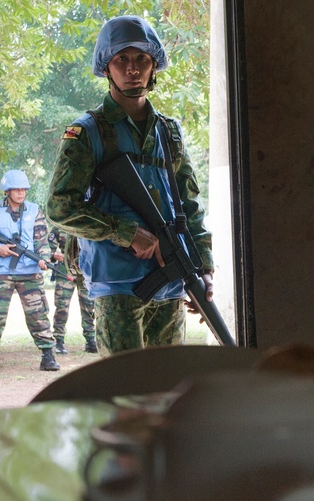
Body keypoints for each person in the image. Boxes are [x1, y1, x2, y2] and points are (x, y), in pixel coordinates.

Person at [45, 15, 214, 355]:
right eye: (122, 59)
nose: (132, 69)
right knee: (124, 392)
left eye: (142, 59)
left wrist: (203, 266)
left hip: (169, 281)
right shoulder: (87, 133)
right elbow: (60, 208)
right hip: (116, 285)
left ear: (154, 67)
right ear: (107, 67)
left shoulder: (170, 132)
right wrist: (126, 233)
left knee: (167, 390)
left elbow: (189, 206)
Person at [0, 169, 60, 373]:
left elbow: (42, 240)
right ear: (7, 191)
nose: (21, 193)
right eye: (17, 189)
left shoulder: (34, 210)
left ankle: (48, 355)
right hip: (1, 271)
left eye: (24, 189)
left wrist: (44, 259)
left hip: (30, 271)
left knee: (37, 313)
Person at [47, 226, 97, 354]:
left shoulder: (88, 223)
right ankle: (58, 340)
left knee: (89, 304)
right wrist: (53, 255)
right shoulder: (60, 225)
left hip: (87, 269)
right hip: (65, 270)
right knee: (62, 305)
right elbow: (48, 249)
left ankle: (91, 340)